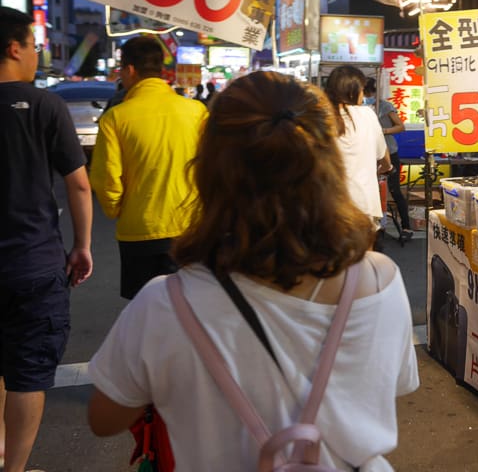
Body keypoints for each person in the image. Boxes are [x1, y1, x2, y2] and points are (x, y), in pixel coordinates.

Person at [86, 71, 419, 470]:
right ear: (327, 162)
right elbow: (396, 384)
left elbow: (105, 419)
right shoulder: (378, 279)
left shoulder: (165, 302)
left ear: (208, 170)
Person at [0, 6, 93, 472]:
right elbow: (78, 183)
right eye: (34, 45)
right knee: (28, 375)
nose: (37, 54)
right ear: (14, 48)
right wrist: (82, 245)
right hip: (35, 264)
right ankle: (12, 468)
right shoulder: (45, 106)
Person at [90, 36, 207, 299]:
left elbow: (106, 179)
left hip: (139, 232)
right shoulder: (197, 111)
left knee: (144, 311)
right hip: (190, 229)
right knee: (190, 310)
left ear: (130, 70)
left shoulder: (115, 118)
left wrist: (118, 209)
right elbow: (211, 165)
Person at [324, 66, 392, 236]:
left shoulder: (322, 116)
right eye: (362, 89)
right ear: (354, 90)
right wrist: (385, 168)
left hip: (328, 204)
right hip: (363, 204)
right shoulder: (367, 115)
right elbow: (384, 158)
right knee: (362, 259)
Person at [363, 77, 413, 241]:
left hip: (388, 153)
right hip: (369, 154)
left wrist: (382, 131)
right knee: (371, 191)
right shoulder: (361, 107)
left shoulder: (384, 106)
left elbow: (401, 126)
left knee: (394, 190)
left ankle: (406, 227)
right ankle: (376, 226)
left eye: (367, 93)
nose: (366, 96)